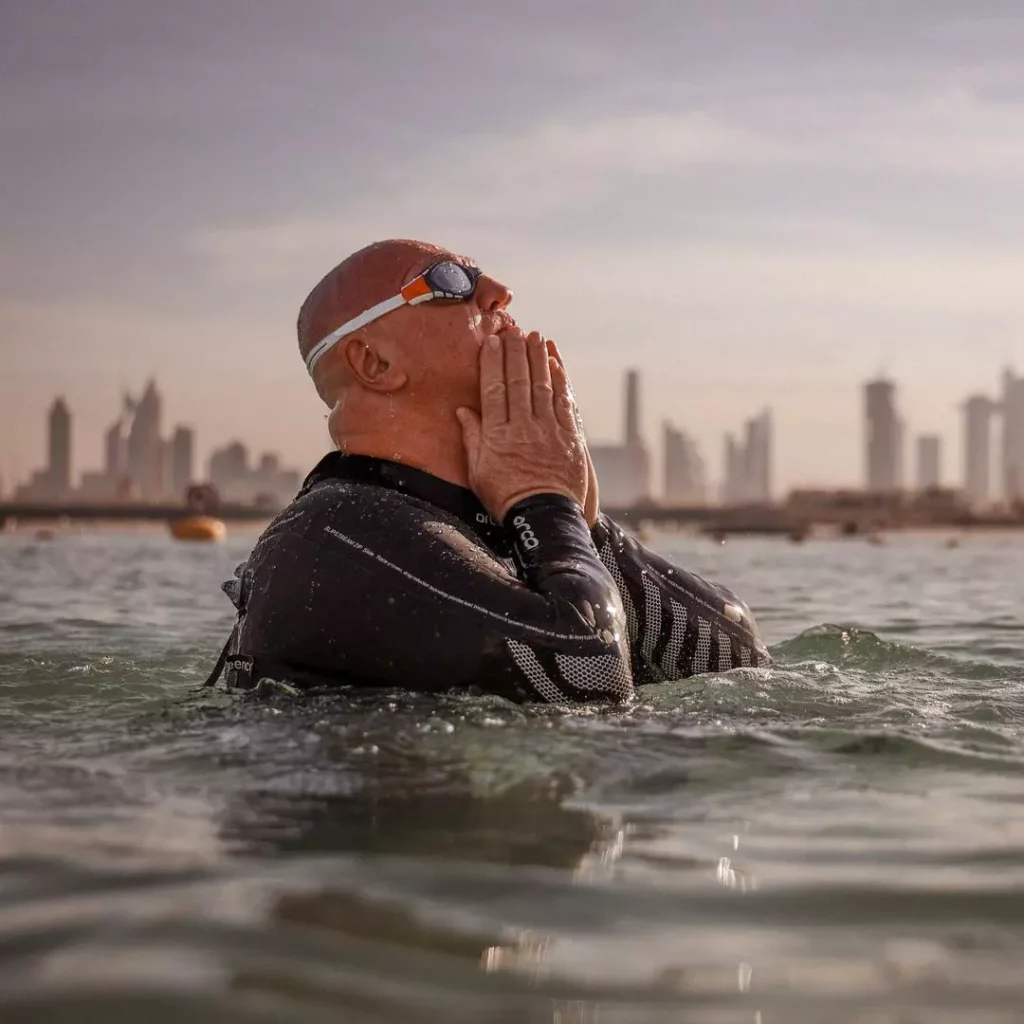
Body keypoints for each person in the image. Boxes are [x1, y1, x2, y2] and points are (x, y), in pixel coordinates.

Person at [204, 239, 770, 703]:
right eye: (451, 281)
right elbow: (589, 681)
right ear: (374, 363)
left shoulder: (489, 525)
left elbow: (738, 661)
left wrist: (580, 521)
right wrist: (545, 502)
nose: (501, 293)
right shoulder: (329, 537)